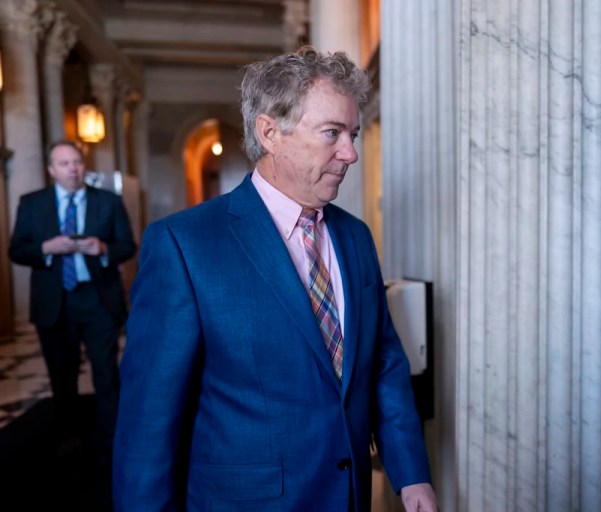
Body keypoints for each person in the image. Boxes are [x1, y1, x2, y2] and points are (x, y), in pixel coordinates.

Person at [112, 47, 439, 512]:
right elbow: (150, 424)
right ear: (270, 132)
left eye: (353, 134)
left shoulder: (356, 237)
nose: (349, 153)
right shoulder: (183, 246)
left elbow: (383, 361)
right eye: (332, 133)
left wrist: (411, 476)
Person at [8, 139, 137, 461]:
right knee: (61, 376)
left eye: (77, 162)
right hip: (54, 302)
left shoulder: (108, 201)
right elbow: (16, 250)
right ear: (51, 170)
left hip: (98, 299)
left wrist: (104, 249)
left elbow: (128, 245)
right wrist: (45, 249)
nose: (73, 169)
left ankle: (111, 440)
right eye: (64, 164)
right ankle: (69, 437)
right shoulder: (32, 203)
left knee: (106, 373)